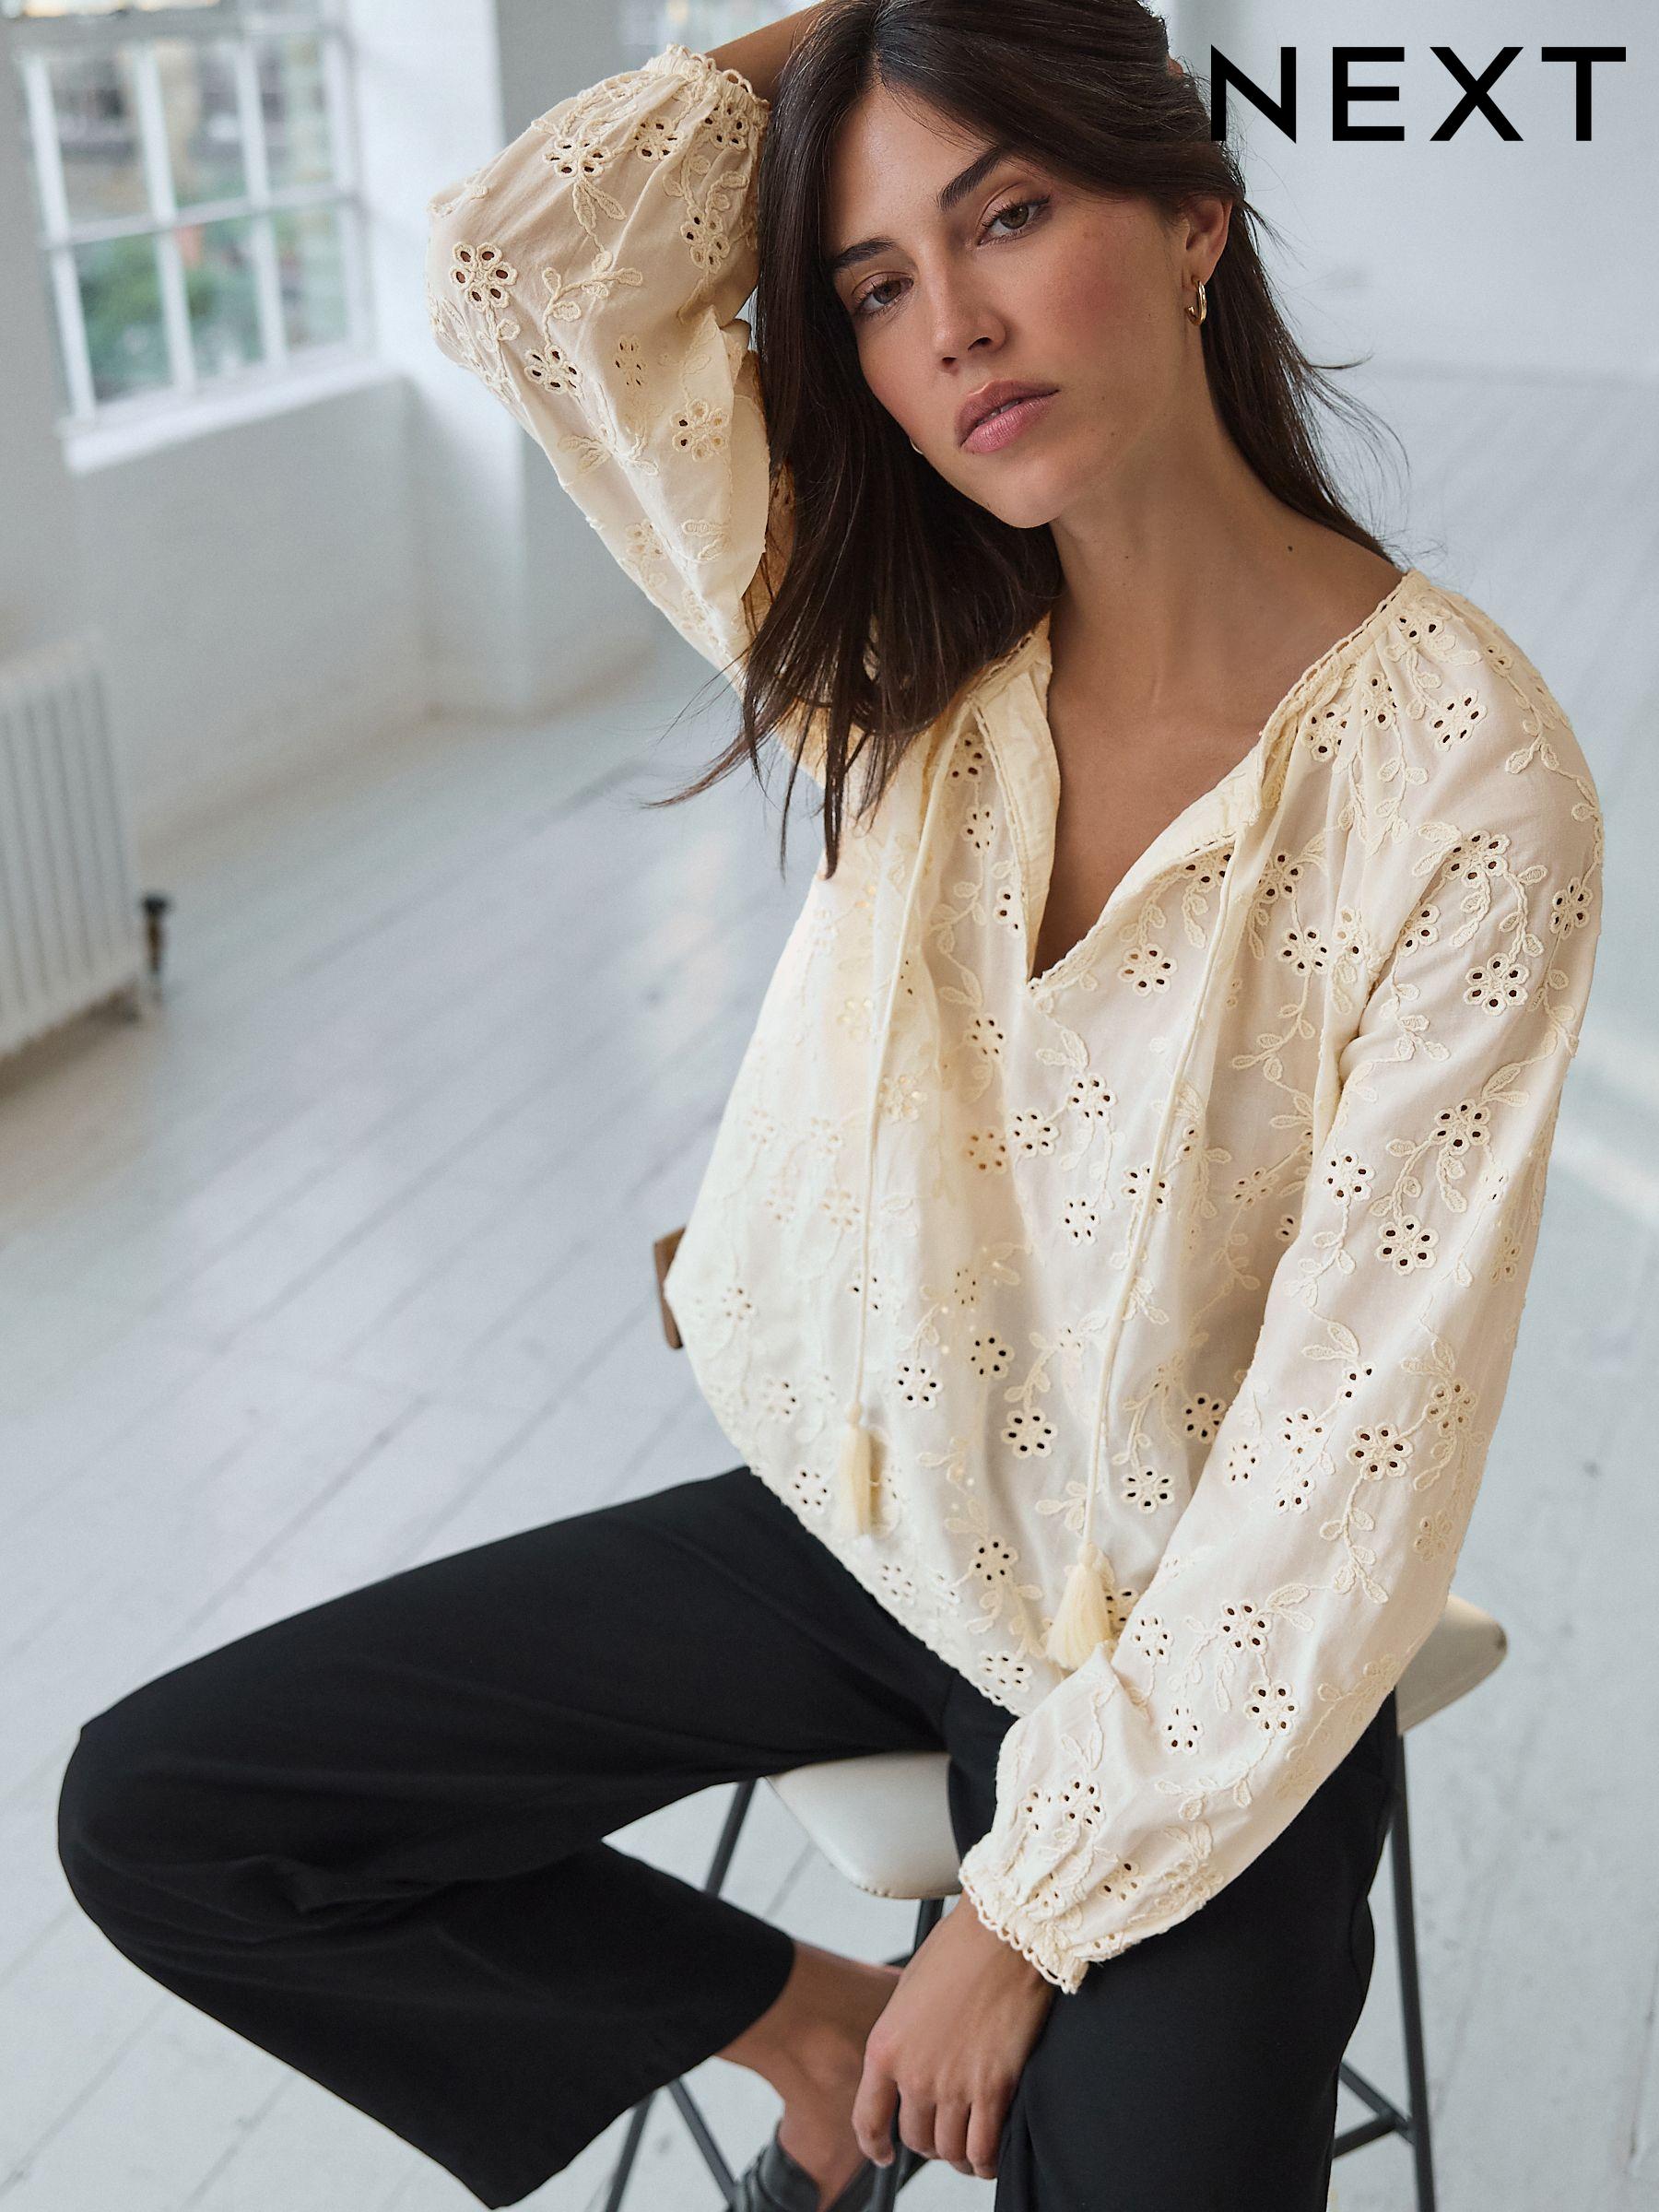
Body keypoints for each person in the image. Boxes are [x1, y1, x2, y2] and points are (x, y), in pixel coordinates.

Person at [56, 4, 1604, 2208]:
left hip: (1192, 1639)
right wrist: (890, 17)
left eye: (1012, 213)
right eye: (874, 285)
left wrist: (1025, 1913)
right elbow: (519, 260)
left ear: (1194, 218)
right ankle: (814, 2034)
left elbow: (1341, 1462)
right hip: (871, 1536)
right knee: (173, 1813)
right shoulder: (906, 651)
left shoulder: (1463, 782)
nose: (950, 324)